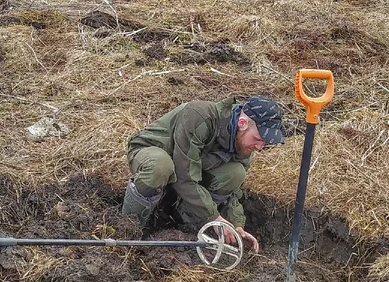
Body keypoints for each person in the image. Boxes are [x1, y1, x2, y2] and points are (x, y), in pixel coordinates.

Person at [121, 95, 285, 253]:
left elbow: (233, 192)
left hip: (189, 171)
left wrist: (236, 225)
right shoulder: (200, 115)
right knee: (160, 166)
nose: (259, 147)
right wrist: (213, 216)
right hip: (155, 153)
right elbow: (184, 175)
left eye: (264, 142)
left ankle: (181, 225)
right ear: (242, 123)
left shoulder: (244, 145)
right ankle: (127, 232)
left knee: (236, 173)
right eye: (257, 138)